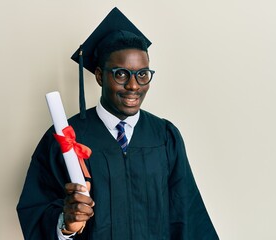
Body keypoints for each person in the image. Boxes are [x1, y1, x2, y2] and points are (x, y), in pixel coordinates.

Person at [17, 7, 219, 240]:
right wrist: (65, 224)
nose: (134, 85)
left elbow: (187, 215)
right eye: (121, 74)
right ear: (101, 76)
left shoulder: (164, 136)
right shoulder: (67, 138)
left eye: (142, 74)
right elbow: (36, 210)